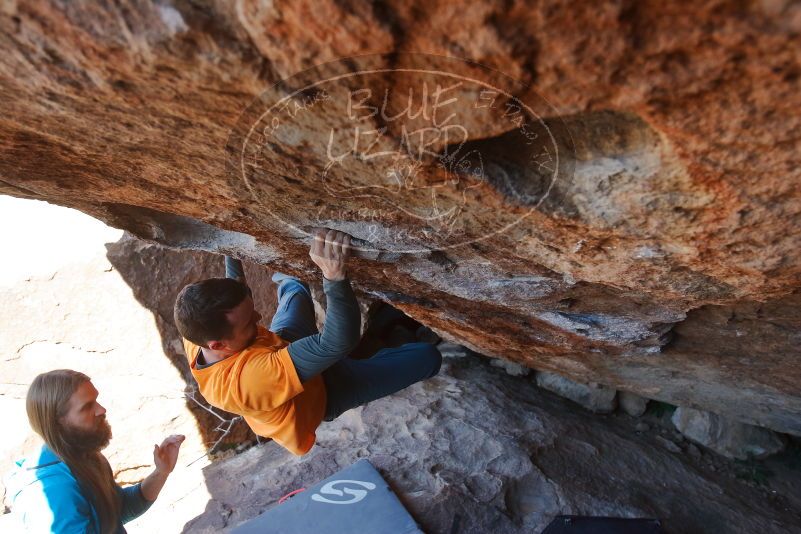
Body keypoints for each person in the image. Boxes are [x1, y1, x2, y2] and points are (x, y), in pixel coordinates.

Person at [173, 228, 441, 455]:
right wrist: (334, 276)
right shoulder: (250, 381)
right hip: (326, 392)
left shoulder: (197, 326)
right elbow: (335, 343)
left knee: (294, 284)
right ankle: (382, 344)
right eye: (249, 322)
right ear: (218, 345)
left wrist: (229, 238)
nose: (258, 315)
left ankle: (375, 333)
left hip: (282, 345)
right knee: (428, 357)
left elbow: (234, 288)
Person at [8, 369, 185, 533]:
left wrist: (161, 472)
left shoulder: (84, 456)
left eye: (96, 401)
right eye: (87, 407)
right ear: (57, 421)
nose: (101, 410)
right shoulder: (54, 494)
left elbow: (117, 510)